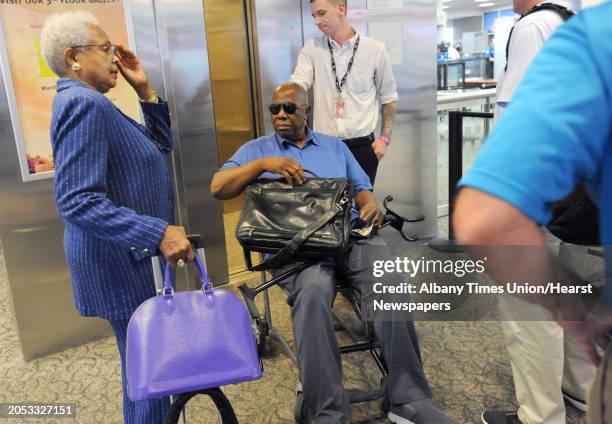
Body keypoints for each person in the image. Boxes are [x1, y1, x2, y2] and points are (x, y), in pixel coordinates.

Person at [211, 82, 452, 424]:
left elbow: (362, 190)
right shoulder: (257, 149)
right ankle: (326, 410)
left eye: (289, 108)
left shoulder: (334, 147)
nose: (280, 114)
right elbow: (218, 187)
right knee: (312, 294)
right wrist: (264, 164)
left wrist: (369, 206)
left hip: (351, 237)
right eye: (274, 109)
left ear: (306, 111)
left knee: (391, 283)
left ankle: (407, 398)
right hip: (297, 248)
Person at [451, 2, 612, 423]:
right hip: (589, 208)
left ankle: (540, 415)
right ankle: (580, 392)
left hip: (545, 202)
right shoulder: (579, 23)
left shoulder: (536, 27)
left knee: (534, 313)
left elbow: (512, 120)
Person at [40, 11, 194, 424]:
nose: (115, 58)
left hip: (128, 258)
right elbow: (77, 199)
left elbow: (158, 147)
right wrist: (157, 230)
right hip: (121, 261)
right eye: (105, 48)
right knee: (149, 369)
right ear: (73, 57)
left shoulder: (95, 103)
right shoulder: (83, 103)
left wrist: (145, 91)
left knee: (145, 363)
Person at [290, 0, 398, 185]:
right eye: (314, 16)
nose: (317, 21)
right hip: (323, 147)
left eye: (321, 13)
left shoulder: (374, 50)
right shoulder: (312, 49)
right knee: (327, 208)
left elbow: (388, 97)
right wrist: (289, 97)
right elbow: (298, 84)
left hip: (363, 146)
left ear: (341, 9)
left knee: (362, 207)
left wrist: (384, 139)